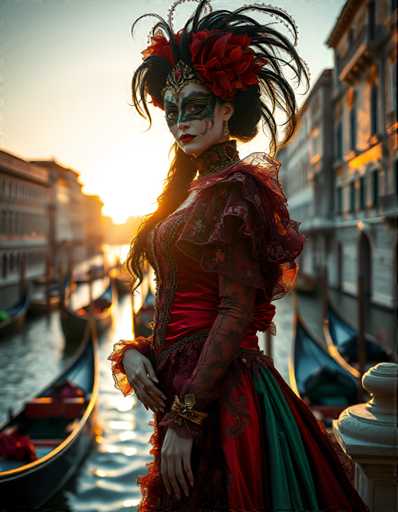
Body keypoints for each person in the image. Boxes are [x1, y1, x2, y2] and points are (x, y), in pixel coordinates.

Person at [108, 1, 369, 510]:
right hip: (184, 385)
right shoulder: (189, 191)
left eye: (196, 105)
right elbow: (180, 304)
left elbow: (233, 311)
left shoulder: (235, 192)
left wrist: (186, 419)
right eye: (173, 109)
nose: (181, 121)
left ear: (227, 109)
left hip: (220, 400)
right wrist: (138, 351)